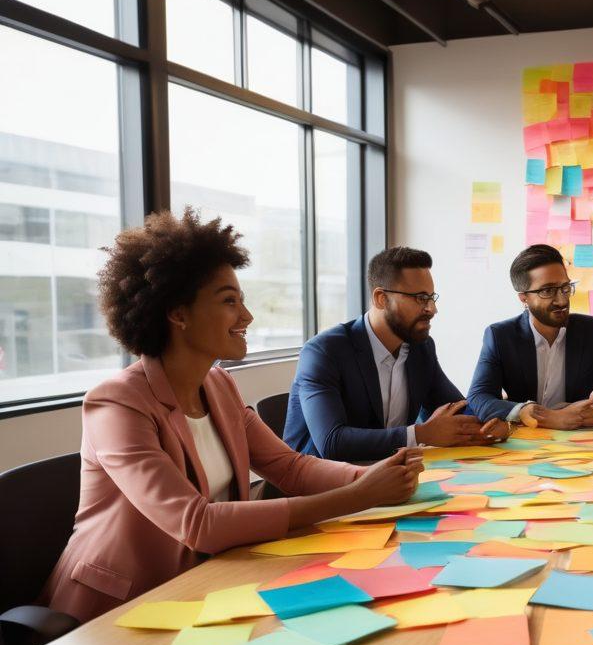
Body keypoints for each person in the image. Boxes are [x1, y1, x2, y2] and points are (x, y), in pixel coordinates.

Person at [43, 210, 422, 623]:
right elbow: (197, 522)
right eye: (229, 301)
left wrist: (374, 478)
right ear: (178, 313)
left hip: (206, 584)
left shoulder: (218, 384)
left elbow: (288, 466)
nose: (247, 317)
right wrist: (356, 496)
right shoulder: (117, 404)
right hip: (118, 611)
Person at [283, 247, 507, 460]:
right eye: (420, 298)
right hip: (322, 486)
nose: (432, 309)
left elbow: (456, 407)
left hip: (389, 473)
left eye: (431, 298)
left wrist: (490, 422)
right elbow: (332, 443)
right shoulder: (324, 351)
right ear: (381, 298)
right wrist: (420, 435)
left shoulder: (421, 348)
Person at [466, 244, 593, 429]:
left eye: (565, 287)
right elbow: (478, 398)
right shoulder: (501, 336)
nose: (562, 300)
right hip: (525, 443)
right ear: (524, 298)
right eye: (547, 291)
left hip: (576, 443)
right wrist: (529, 412)